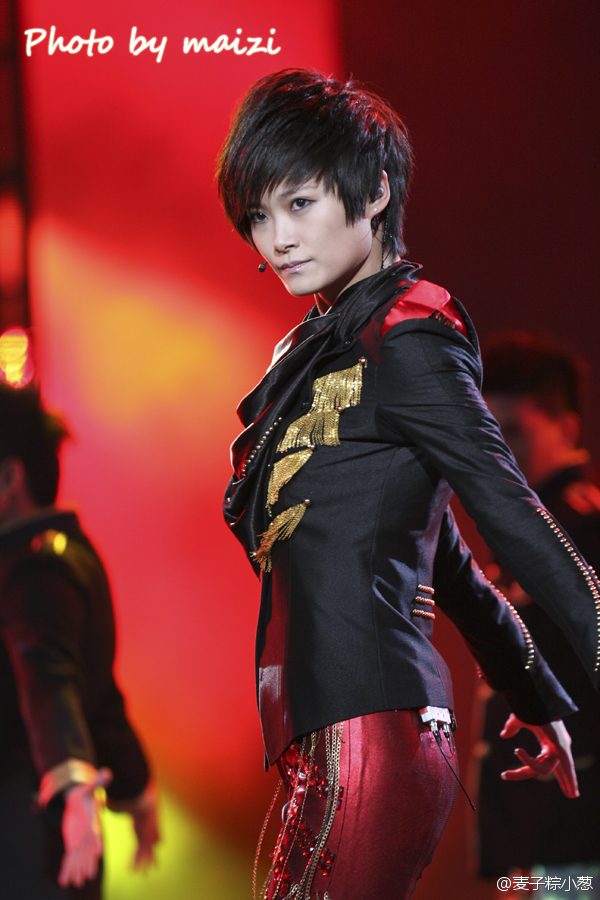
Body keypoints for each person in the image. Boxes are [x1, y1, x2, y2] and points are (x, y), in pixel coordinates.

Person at [217, 68, 599, 900]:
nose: (276, 238)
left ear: (376, 192)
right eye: (259, 215)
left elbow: (509, 509)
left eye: (300, 203)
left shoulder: (411, 333)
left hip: (372, 737)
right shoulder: (321, 346)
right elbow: (447, 559)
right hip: (330, 742)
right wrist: (535, 694)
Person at [0, 382, 159, 898]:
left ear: (9, 477)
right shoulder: (71, 554)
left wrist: (70, 782)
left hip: (27, 847)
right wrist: (135, 786)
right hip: (57, 848)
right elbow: (99, 697)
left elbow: (49, 680)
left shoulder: (31, 570)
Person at [474, 334, 600, 891]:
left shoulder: (583, 533)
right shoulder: (530, 529)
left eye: (514, 430)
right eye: (487, 430)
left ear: (566, 429)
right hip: (540, 839)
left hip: (576, 837)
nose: (498, 447)